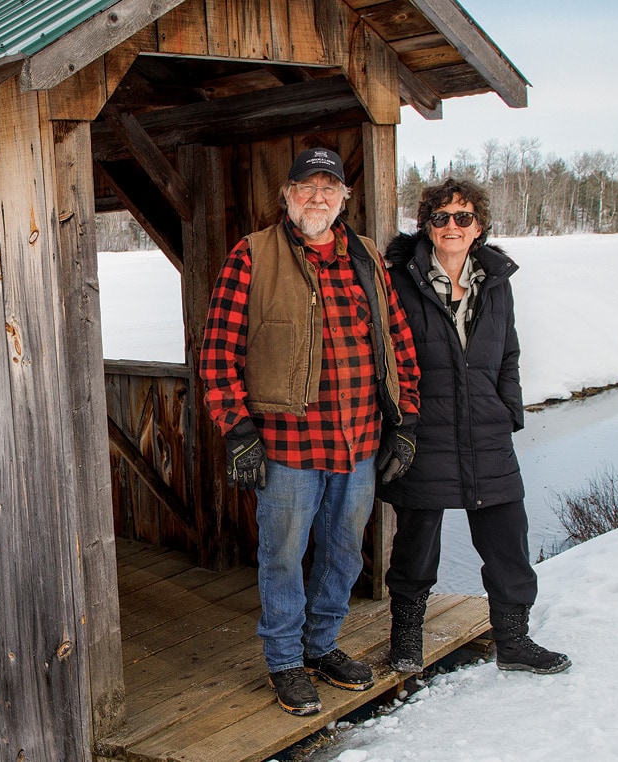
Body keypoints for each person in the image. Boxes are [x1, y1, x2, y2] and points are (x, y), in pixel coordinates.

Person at [199, 147, 421, 716]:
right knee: (283, 556)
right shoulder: (253, 255)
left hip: (359, 442)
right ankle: (284, 662)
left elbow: (396, 343)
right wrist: (237, 428)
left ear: (344, 198)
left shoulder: (366, 257)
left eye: (328, 187)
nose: (316, 197)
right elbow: (217, 353)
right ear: (286, 196)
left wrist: (406, 420)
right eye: (306, 186)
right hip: (288, 447)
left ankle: (321, 647)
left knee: (344, 554)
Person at [378, 177, 571, 676]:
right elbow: (388, 360)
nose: (451, 227)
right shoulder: (399, 280)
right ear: (426, 225)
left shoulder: (496, 282)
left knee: (508, 539)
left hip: (486, 430)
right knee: (417, 542)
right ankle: (405, 641)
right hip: (426, 429)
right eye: (440, 217)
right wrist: (401, 423)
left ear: (479, 225)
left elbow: (508, 352)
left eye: (463, 217)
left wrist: (509, 409)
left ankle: (514, 641)